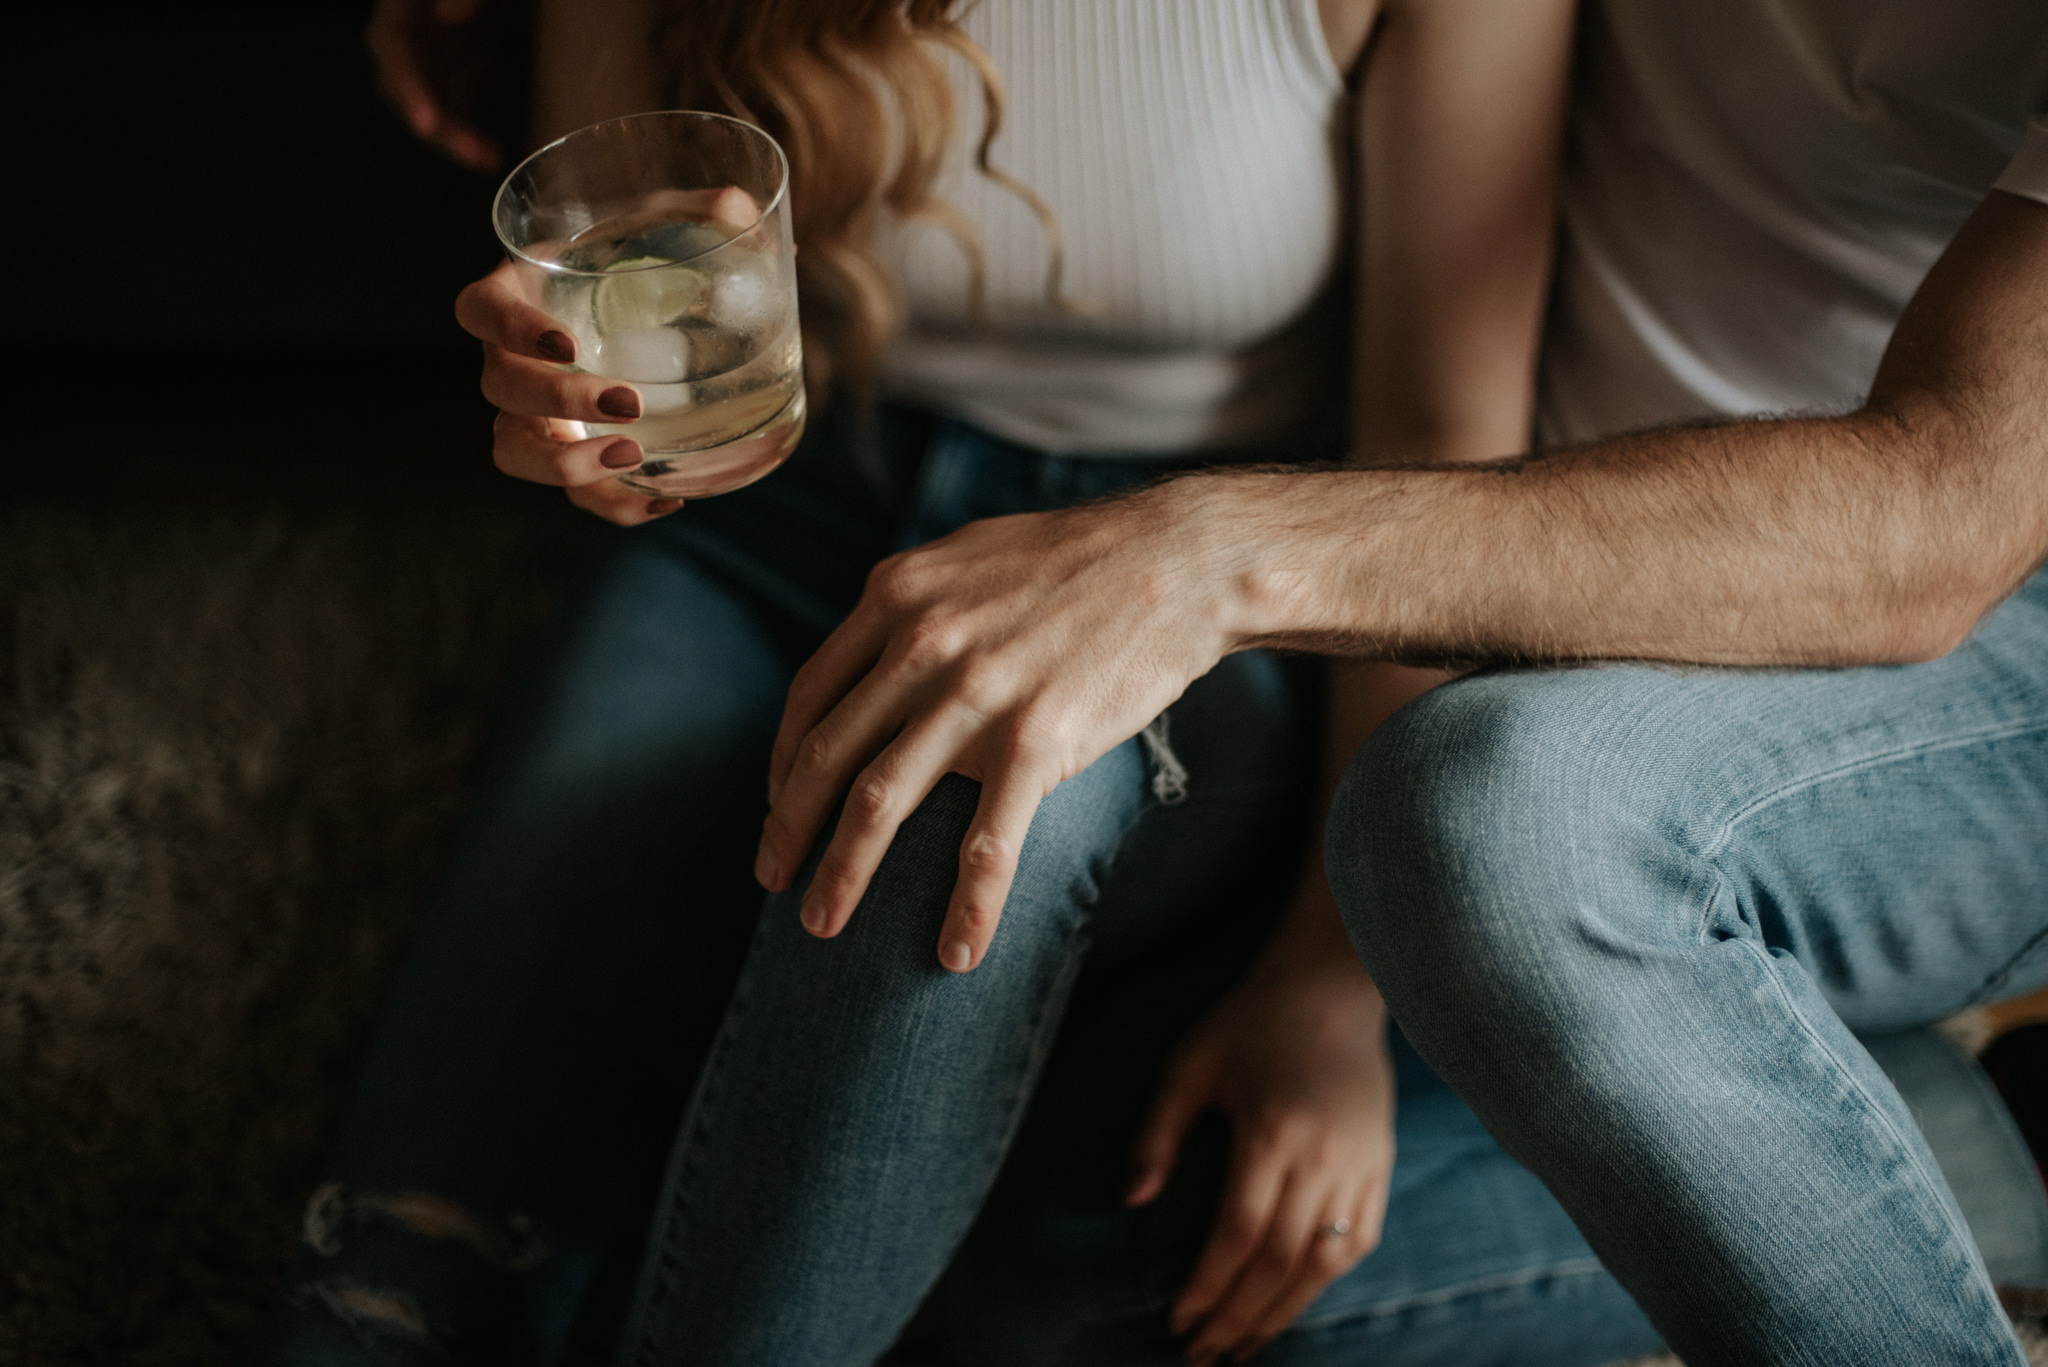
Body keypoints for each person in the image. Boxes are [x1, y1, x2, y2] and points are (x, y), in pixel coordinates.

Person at [242, 1, 1705, 1366]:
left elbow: (1437, 454)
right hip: (784, 513)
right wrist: (591, 423)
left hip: (1184, 564)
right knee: (396, 1269)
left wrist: (1336, 980)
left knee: (946, 836)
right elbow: (623, 281)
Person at [703, 1, 2048, 1364]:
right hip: (1530, 535)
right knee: (1073, 1249)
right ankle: (1892, 1114)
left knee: (1500, 815)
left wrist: (1209, 556)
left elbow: (1930, 527)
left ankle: (1969, 1186)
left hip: (1970, 617)